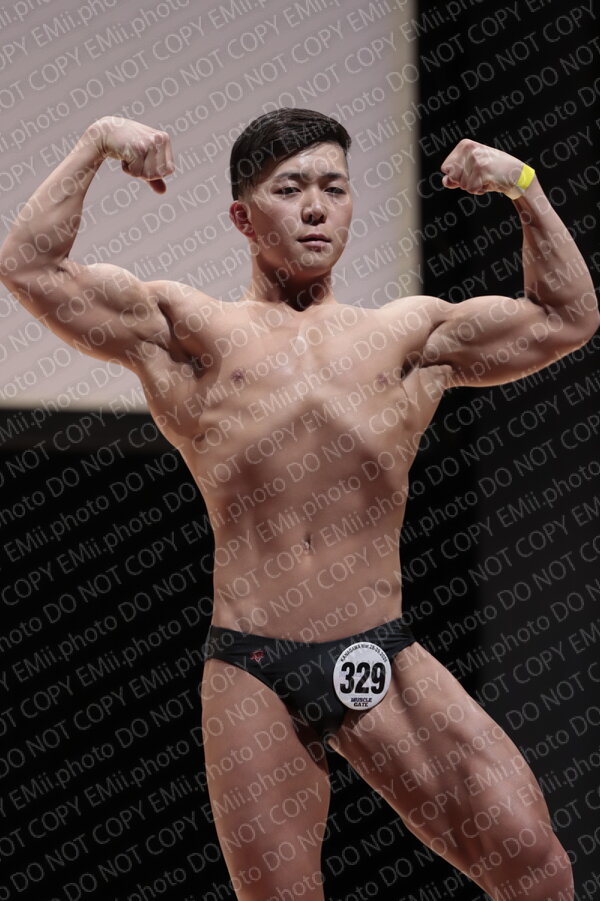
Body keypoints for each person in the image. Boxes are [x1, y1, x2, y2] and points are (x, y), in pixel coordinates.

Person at [0, 108, 596, 901]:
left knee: (537, 867)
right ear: (243, 218)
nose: (316, 207)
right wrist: (96, 141)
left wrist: (522, 185)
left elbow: (567, 316)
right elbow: (29, 267)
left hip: (382, 653)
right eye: (289, 189)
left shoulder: (407, 335)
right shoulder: (191, 332)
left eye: (333, 188)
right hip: (254, 666)